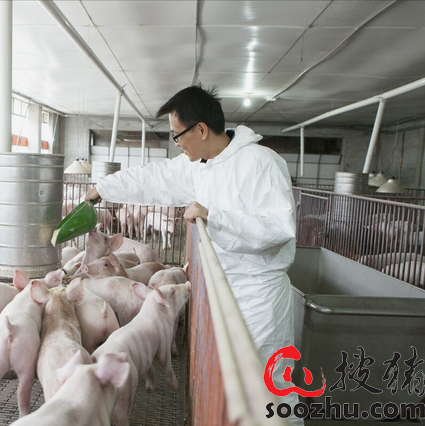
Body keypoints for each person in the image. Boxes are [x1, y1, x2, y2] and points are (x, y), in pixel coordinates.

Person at [85, 84, 302, 422]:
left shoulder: (261, 163)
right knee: (235, 389)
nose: (176, 143)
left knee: (270, 387)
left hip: (259, 297)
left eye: (177, 135)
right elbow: (153, 178)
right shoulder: (201, 166)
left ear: (201, 129)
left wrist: (214, 217)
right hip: (224, 290)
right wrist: (103, 188)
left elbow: (278, 228)